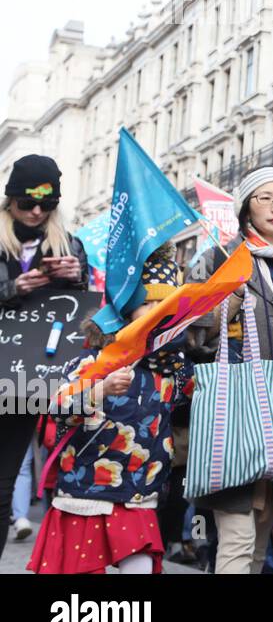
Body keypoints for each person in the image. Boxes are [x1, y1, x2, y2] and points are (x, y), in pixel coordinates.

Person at [185, 167, 273, 574]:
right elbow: (188, 336)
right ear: (246, 207)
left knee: (262, 537)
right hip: (234, 411)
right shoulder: (219, 258)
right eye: (264, 197)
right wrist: (224, 304)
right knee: (237, 537)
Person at [28, 246, 192, 574]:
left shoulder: (172, 368)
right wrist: (100, 389)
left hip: (138, 493)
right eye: (147, 303)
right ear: (127, 307)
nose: (155, 311)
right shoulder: (93, 361)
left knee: (140, 570)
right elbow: (58, 408)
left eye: (164, 305)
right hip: (87, 490)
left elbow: (193, 402)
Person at [0, 154, 87, 562]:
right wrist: (11, 287)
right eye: (27, 202)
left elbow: (85, 315)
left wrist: (77, 276)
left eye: (46, 204)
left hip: (25, 380)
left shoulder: (70, 246)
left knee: (2, 487)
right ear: (9, 200)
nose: (36, 211)